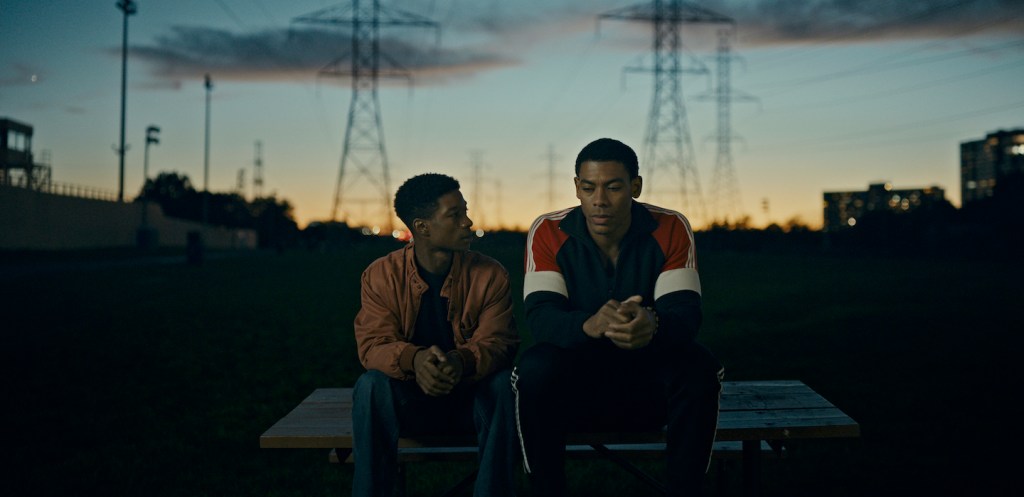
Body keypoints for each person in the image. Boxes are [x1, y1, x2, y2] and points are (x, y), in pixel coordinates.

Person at [512, 138, 724, 496]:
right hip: (576, 383)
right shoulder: (548, 230)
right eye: (589, 187)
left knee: (698, 366)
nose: (600, 200)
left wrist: (652, 324)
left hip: (647, 381)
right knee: (534, 368)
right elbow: (541, 317)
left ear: (635, 187)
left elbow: (685, 313)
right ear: (576, 187)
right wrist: (589, 324)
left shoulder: (670, 226)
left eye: (613, 186)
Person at [351, 173, 520, 497]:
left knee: (503, 386)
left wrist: (459, 362)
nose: (468, 222)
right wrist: (415, 360)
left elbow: (500, 343)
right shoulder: (381, 275)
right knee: (370, 387)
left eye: (465, 211)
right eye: (454, 215)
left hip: (470, 399)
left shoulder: (490, 274)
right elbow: (373, 344)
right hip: (409, 400)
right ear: (423, 227)